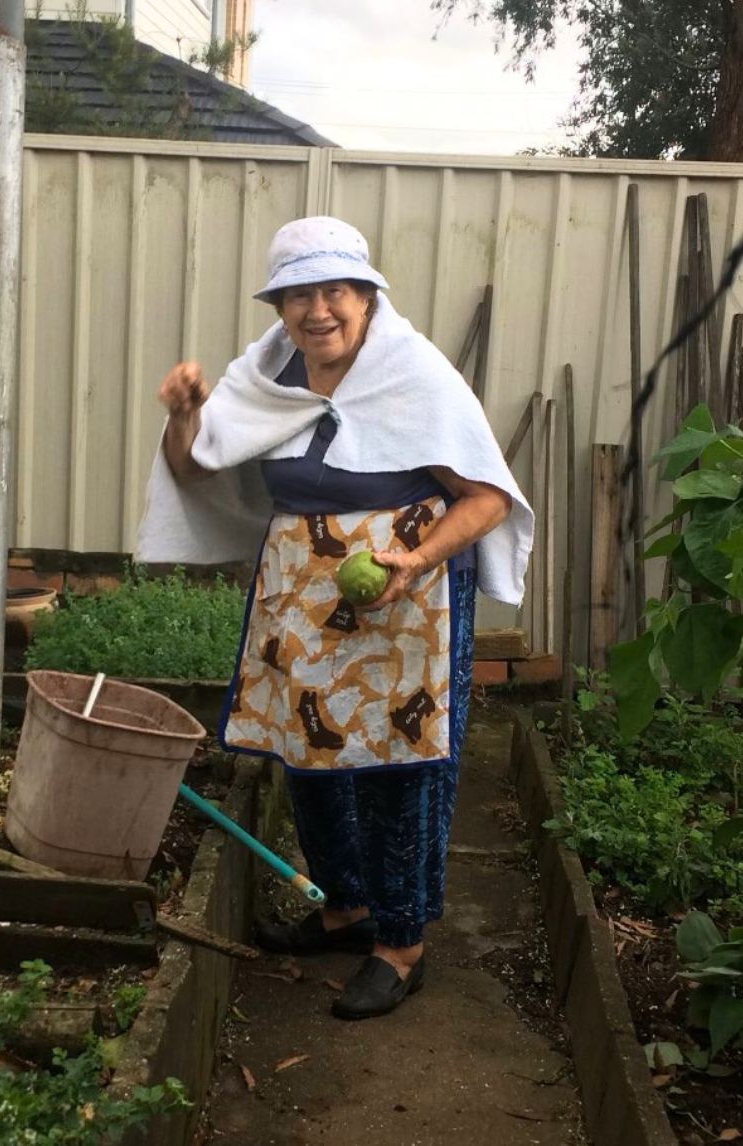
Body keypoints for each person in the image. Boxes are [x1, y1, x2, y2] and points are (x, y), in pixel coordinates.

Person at [136, 216, 534, 1020]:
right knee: (305, 751)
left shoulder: (415, 373)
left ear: (366, 296)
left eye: (335, 291)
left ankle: (399, 943)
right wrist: (186, 414)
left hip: (402, 599)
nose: (317, 310)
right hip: (301, 598)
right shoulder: (270, 372)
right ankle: (345, 905)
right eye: (298, 294)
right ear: (279, 306)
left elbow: (487, 498)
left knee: (399, 766)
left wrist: (414, 561)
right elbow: (195, 465)